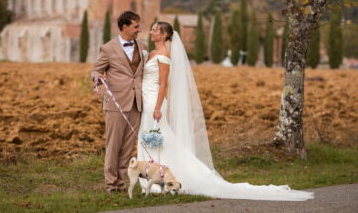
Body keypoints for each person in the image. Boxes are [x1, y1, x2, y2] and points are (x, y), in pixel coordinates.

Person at [137, 21, 314, 201]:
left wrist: (158, 107)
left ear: (165, 35)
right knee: (152, 136)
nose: (151, 32)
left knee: (158, 137)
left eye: (154, 30)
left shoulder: (164, 55)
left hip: (154, 102)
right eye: (151, 29)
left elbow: (163, 84)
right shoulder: (151, 53)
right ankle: (153, 173)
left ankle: (160, 177)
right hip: (145, 97)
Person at [91, 11, 147, 193]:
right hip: (115, 103)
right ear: (124, 27)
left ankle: (121, 183)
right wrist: (98, 78)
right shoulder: (107, 48)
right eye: (136, 26)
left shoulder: (143, 46)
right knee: (113, 145)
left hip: (136, 103)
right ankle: (110, 184)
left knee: (128, 146)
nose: (139, 29)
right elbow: (95, 70)